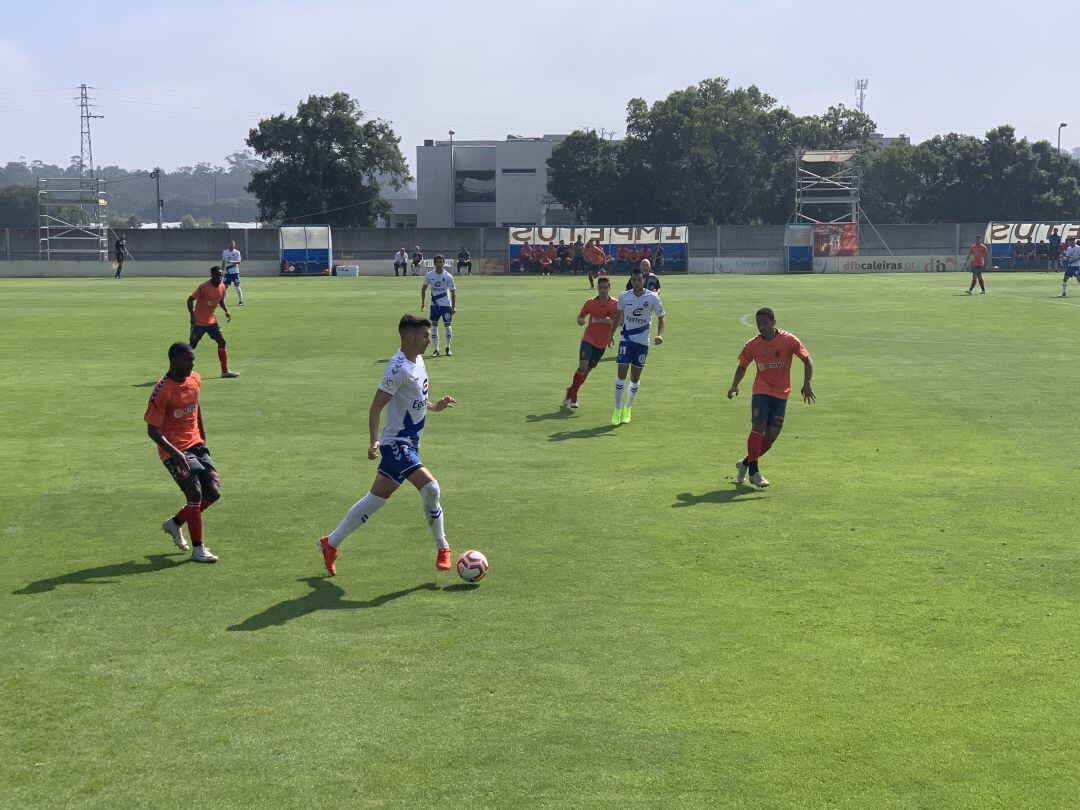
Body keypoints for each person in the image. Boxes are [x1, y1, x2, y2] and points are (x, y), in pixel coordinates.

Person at [317, 314, 457, 576]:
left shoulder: (418, 362)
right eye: (425, 336)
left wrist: (434, 407)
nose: (429, 340)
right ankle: (443, 547)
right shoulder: (397, 368)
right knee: (431, 488)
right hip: (396, 443)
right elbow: (376, 406)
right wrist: (374, 441)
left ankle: (330, 543)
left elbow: (412, 400)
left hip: (411, 443)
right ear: (409, 337)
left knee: (375, 499)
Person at [145, 342, 221, 563]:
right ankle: (198, 549)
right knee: (195, 493)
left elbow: (196, 407)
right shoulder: (162, 390)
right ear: (174, 360)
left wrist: (203, 436)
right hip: (174, 449)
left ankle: (174, 523)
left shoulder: (195, 379)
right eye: (188, 359)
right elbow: (152, 430)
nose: (192, 363)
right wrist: (176, 455)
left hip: (196, 444)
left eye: (193, 359)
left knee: (213, 494)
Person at [727, 308, 815, 489]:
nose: (761, 327)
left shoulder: (789, 340)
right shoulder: (753, 344)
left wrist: (807, 384)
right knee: (758, 427)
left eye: (765, 323)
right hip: (761, 392)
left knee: (771, 436)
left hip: (782, 393)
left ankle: (745, 463)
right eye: (759, 324)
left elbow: (807, 360)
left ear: (773, 322)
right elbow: (742, 365)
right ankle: (754, 472)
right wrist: (735, 384)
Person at [609, 267, 665, 425]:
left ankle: (628, 407)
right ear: (631, 280)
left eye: (639, 279)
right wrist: (610, 335)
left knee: (635, 378)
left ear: (643, 280)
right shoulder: (624, 296)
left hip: (642, 342)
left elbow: (661, 316)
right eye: (634, 280)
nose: (636, 282)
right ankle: (617, 408)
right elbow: (618, 317)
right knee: (621, 375)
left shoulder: (652, 297)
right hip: (626, 339)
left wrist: (660, 334)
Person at [563, 275, 616, 409]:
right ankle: (573, 397)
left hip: (602, 343)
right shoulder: (590, 302)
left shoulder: (615, 304)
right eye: (601, 287)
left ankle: (571, 390)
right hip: (588, 338)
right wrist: (580, 320)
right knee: (582, 365)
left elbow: (620, 322)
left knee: (586, 372)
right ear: (597, 288)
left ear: (610, 288)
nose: (603, 290)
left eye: (605, 287)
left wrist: (608, 323)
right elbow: (580, 317)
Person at [188, 266, 240, 378]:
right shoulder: (204, 287)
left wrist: (226, 311)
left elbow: (220, 300)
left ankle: (224, 371)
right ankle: (184, 371)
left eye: (221, 275)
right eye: (217, 275)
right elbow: (190, 300)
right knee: (191, 346)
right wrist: (192, 316)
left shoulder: (222, 286)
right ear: (212, 276)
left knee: (222, 342)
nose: (220, 277)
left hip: (212, 322)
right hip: (199, 322)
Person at [420, 255, 457, 356]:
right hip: (434, 305)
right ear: (434, 263)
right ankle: (436, 350)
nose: (439, 264)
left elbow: (453, 292)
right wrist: (423, 303)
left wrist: (453, 307)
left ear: (443, 263)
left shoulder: (448, 276)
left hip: (446, 305)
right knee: (434, 326)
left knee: (447, 325)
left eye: (441, 262)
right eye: (437, 262)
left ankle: (448, 348)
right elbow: (423, 289)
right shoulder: (429, 275)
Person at [221, 240, 244, 305]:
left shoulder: (237, 252)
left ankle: (241, 301)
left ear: (234, 245)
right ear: (228, 245)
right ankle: (223, 301)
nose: (232, 245)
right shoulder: (225, 252)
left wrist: (231, 261)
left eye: (233, 244)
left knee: (237, 286)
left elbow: (239, 262)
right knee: (225, 287)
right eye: (230, 244)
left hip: (235, 273)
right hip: (227, 273)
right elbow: (223, 262)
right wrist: (222, 271)